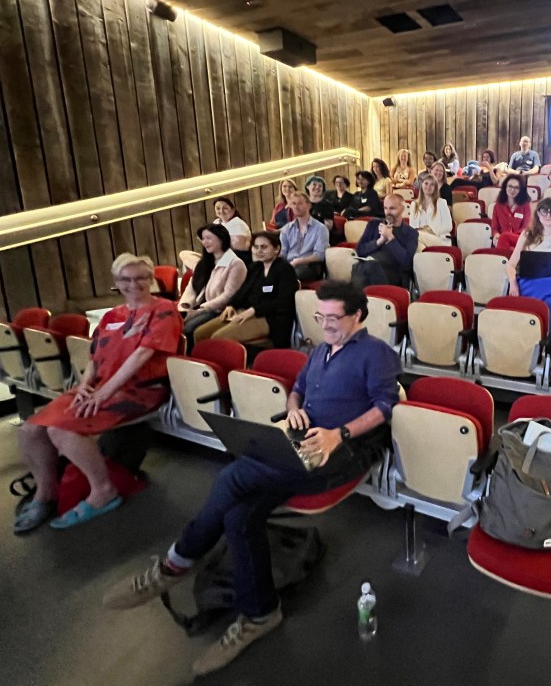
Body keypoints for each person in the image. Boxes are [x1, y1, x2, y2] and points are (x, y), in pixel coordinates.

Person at [103, 281, 402, 677]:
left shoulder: (376, 354)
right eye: (320, 317)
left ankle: (175, 564)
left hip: (345, 450)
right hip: (305, 439)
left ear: (358, 316)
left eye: (334, 318)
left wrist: (338, 433)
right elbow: (296, 390)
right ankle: (261, 614)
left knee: (233, 475)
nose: (325, 325)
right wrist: (295, 409)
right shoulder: (320, 351)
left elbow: (385, 406)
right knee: (238, 516)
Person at [14, 254, 183, 533]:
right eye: (126, 279)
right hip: (99, 387)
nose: (134, 284)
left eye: (141, 277)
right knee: (30, 430)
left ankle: (103, 490)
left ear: (151, 279)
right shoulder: (112, 315)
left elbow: (141, 355)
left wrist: (102, 395)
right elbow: (95, 356)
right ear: (117, 282)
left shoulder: (164, 310)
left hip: (140, 391)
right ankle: (46, 494)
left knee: (62, 430)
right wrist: (84, 386)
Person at [193, 231, 299, 348]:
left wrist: (253, 310)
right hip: (246, 312)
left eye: (264, 247)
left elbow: (283, 301)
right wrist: (231, 305)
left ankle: (227, 365)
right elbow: (243, 291)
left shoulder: (285, 269)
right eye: (256, 247)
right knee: (200, 334)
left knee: (218, 338)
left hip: (270, 318)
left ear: (276, 249)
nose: (259, 251)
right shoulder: (255, 268)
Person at [506, 197, 551, 335]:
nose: (547, 215)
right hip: (528, 284)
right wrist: (513, 283)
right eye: (544, 211)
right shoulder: (527, 235)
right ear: (538, 213)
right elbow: (510, 265)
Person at [178, 223, 247, 342]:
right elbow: (192, 287)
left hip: (219, 309)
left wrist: (201, 309)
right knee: (175, 325)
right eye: (203, 239)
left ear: (222, 239)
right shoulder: (205, 262)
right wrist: (185, 306)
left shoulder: (236, 263)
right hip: (201, 306)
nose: (205, 242)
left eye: (209, 238)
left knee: (189, 330)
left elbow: (228, 295)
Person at [352, 194, 419, 287]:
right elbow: (359, 251)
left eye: (392, 208)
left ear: (402, 209)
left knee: (364, 267)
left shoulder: (411, 233)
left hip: (393, 275)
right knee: (360, 266)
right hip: (368, 270)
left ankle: (357, 298)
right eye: (385, 208)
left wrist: (390, 238)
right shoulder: (373, 224)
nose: (388, 212)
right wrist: (380, 241)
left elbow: (406, 263)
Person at [178, 197, 253, 270]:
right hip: (216, 258)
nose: (221, 211)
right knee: (184, 254)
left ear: (233, 210)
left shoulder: (237, 224)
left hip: (232, 261)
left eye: (225, 208)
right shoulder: (217, 222)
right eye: (218, 208)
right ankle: (204, 270)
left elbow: (238, 251)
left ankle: (204, 271)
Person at [279, 192, 328, 282]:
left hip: (310, 265)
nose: (296, 207)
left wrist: (298, 261)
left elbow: (319, 255)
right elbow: (283, 253)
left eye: (300, 203)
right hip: (290, 264)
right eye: (293, 204)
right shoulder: (286, 229)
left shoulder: (320, 228)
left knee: (289, 276)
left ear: (308, 205)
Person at [408, 173, 453, 248]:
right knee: (418, 245)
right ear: (421, 185)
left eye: (432, 184)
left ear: (435, 188)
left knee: (415, 236)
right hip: (421, 238)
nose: (428, 186)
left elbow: (448, 226)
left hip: (439, 238)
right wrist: (424, 232)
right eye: (426, 183)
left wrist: (430, 231)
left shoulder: (442, 202)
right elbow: (412, 226)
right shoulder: (414, 204)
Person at [490, 174, 532, 249]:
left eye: (516, 188)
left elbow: (526, 228)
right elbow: (494, 227)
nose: (512, 190)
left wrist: (506, 237)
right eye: (510, 186)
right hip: (502, 241)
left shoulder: (525, 205)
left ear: (521, 190)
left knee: (505, 238)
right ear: (505, 187)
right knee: (506, 245)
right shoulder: (497, 206)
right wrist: (496, 235)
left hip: (519, 240)